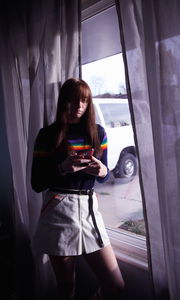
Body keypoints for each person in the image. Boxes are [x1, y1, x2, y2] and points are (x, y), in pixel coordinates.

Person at [31, 78, 124, 300]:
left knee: (115, 285)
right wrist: (62, 168)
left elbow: (105, 175)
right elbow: (36, 184)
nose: (78, 107)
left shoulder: (98, 133)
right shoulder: (47, 136)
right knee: (66, 287)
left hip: (90, 210)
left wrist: (103, 172)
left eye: (84, 101)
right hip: (58, 209)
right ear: (63, 102)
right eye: (72, 101)